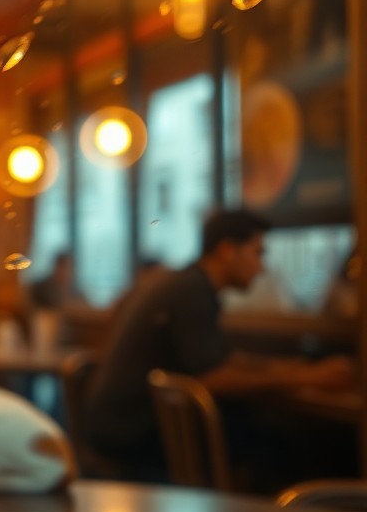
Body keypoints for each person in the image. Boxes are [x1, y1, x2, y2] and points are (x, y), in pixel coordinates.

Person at [83, 209, 356, 489]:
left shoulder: (189, 283)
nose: (262, 267)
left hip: (123, 424)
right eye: (258, 253)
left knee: (273, 432)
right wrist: (304, 378)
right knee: (294, 443)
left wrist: (285, 368)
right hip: (132, 432)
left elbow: (220, 358)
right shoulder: (192, 292)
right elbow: (214, 377)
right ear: (227, 250)